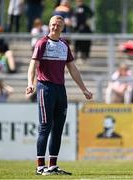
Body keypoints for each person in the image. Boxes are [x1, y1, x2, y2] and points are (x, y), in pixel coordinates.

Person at [26, 15, 92, 175]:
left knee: (58, 129)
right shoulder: (42, 43)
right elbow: (33, 64)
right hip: (45, 88)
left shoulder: (64, 45)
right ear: (49, 26)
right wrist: (31, 83)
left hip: (60, 90)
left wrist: (83, 88)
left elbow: (72, 68)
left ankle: (53, 165)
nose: (56, 27)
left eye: (59, 25)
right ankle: (40, 167)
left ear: (63, 28)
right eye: (53, 24)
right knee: (45, 126)